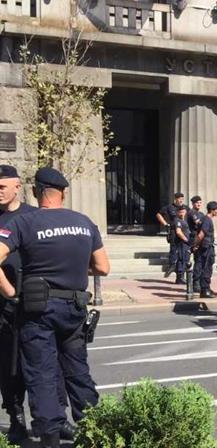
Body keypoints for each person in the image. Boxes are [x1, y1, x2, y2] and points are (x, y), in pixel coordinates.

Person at [0, 167, 110, 448]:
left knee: (42, 374)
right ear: (64, 193)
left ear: (35, 191)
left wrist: (10, 292)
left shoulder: (25, 222)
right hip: (75, 308)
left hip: (38, 311)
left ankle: (50, 438)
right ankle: (94, 429)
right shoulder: (84, 222)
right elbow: (102, 267)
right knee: (77, 371)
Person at [0, 165, 35, 442]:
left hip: (30, 300)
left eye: (2, 186)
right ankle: (16, 418)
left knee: (35, 361)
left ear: (17, 187)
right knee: (7, 364)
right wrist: (8, 291)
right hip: (3, 302)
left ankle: (50, 418)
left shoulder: (33, 216)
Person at [192, 201, 217, 299]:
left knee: (204, 267)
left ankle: (206, 288)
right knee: (207, 269)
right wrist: (195, 245)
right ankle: (205, 290)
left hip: (204, 247)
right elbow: (201, 235)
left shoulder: (203, 218)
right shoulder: (207, 220)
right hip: (206, 248)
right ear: (212, 210)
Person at [156, 193, 187, 277]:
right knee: (173, 248)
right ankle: (172, 265)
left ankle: (180, 270)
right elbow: (158, 214)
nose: (181, 200)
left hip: (183, 231)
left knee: (183, 250)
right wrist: (165, 224)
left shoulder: (185, 207)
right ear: (175, 199)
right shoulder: (169, 207)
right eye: (179, 198)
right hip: (173, 230)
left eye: (182, 199)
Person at [171, 205, 191, 285]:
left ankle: (181, 277)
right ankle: (180, 278)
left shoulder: (184, 220)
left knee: (185, 259)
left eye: (183, 211)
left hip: (185, 244)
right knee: (182, 259)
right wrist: (186, 240)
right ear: (177, 212)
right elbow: (178, 232)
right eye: (180, 212)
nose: (182, 213)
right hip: (182, 243)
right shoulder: (178, 221)